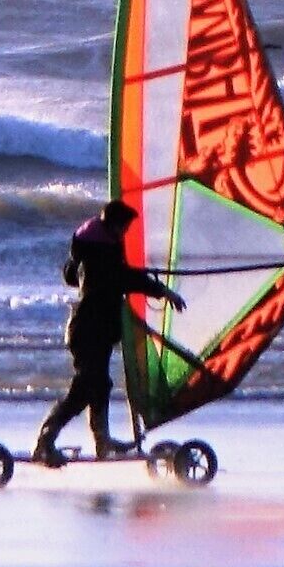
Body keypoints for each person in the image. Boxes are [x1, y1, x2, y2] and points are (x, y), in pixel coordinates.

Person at [36, 198, 183, 466]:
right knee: (84, 389)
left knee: (99, 386)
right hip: (88, 330)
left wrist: (139, 275)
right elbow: (121, 278)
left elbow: (79, 274)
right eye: (125, 228)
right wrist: (162, 290)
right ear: (114, 227)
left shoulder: (91, 252)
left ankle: (102, 441)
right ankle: (46, 441)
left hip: (97, 330)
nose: (126, 233)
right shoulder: (98, 256)